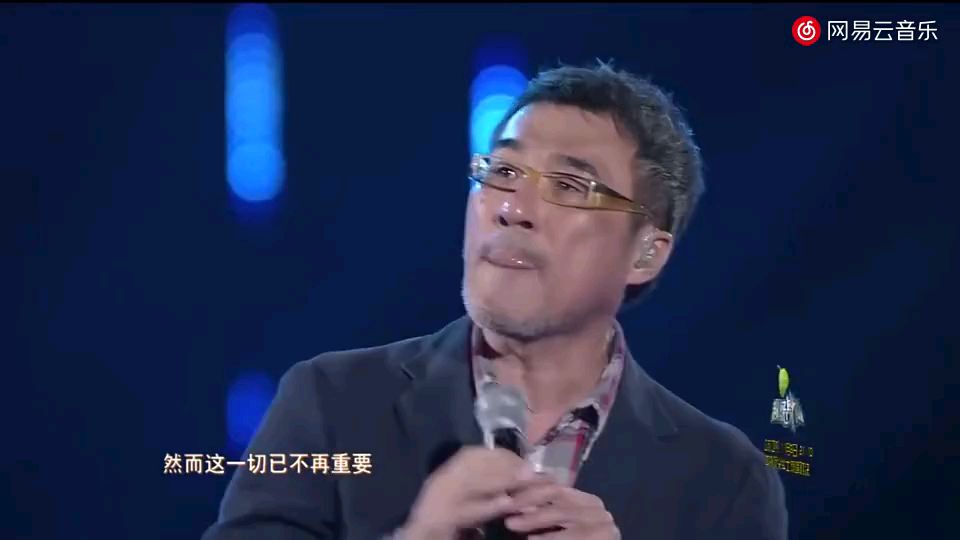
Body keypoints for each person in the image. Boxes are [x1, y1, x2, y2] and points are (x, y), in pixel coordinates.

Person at [202, 62, 788, 540]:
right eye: (503, 171)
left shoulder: (723, 478)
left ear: (646, 253)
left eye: (568, 186)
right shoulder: (330, 402)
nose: (512, 207)